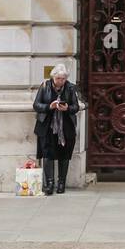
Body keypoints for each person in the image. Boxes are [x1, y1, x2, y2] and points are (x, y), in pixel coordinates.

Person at [32, 63, 80, 195]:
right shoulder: (44, 86)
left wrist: (67, 108)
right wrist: (49, 107)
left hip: (65, 127)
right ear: (53, 77)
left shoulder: (70, 88)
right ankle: (50, 183)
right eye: (58, 78)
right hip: (47, 126)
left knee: (64, 155)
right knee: (48, 154)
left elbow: (76, 107)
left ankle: (61, 183)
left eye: (63, 78)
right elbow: (36, 105)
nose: (61, 81)